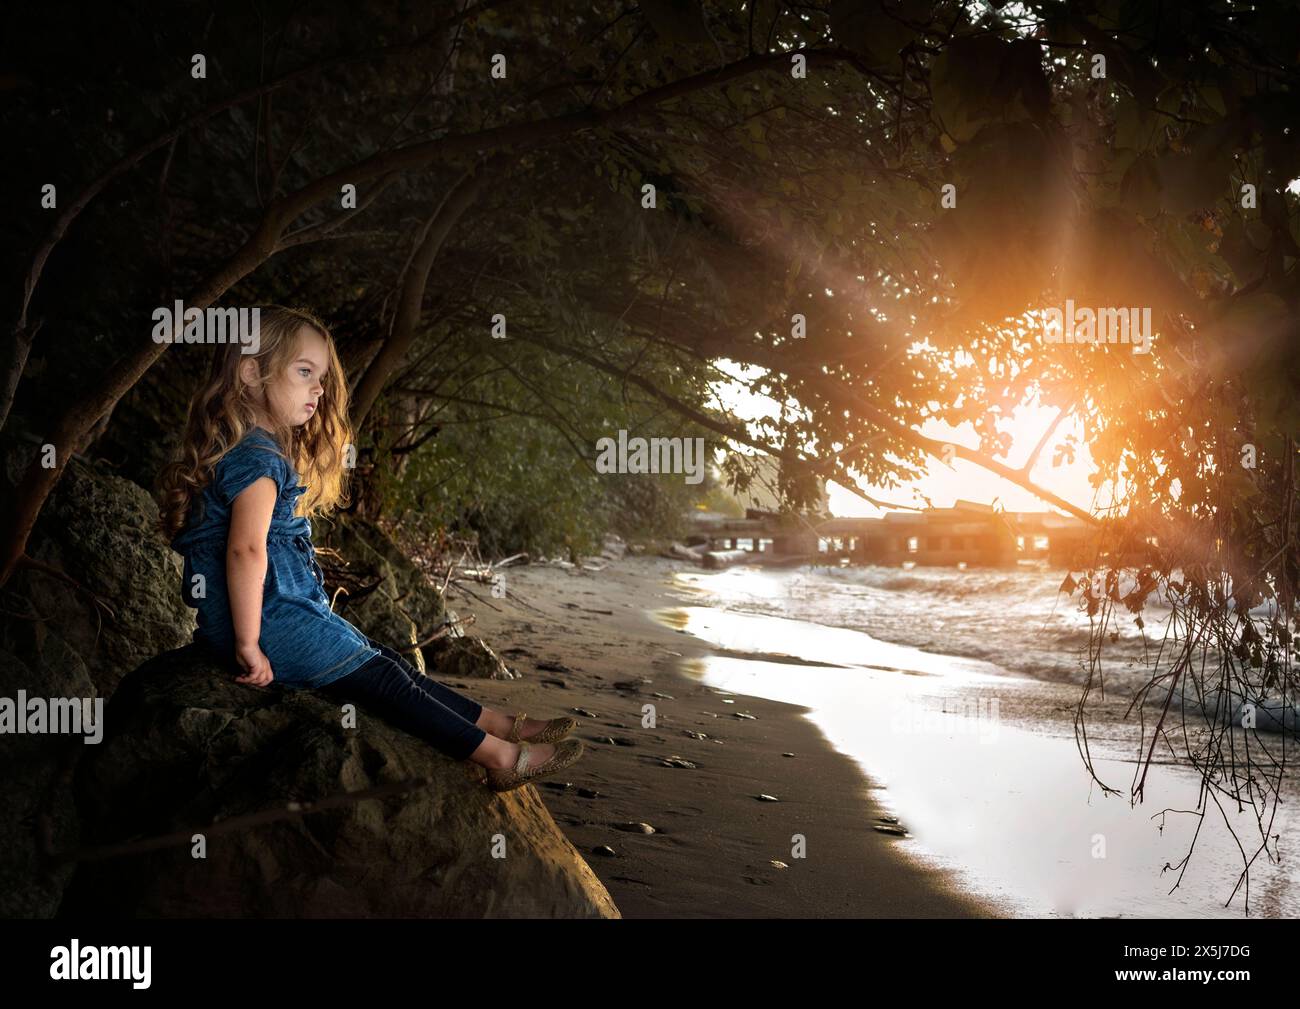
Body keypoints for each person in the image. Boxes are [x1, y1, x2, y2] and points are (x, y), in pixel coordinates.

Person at [156, 305, 582, 792]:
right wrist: (248, 644)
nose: (319, 389)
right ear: (251, 372)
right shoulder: (255, 458)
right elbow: (245, 551)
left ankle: (497, 723)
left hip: (281, 611)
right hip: (266, 619)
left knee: (388, 662)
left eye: (321, 377)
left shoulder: (258, 450)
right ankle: (501, 755)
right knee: (383, 682)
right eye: (304, 372)